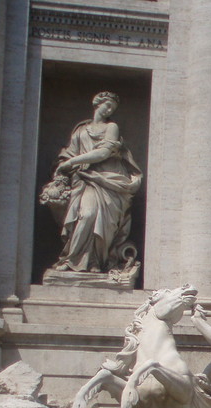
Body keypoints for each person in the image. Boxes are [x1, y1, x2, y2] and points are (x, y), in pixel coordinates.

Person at [40, 92, 143, 276]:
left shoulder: (112, 127)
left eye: (113, 108)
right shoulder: (80, 130)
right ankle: (72, 260)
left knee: (95, 218)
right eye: (107, 105)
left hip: (106, 181)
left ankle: (96, 261)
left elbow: (103, 153)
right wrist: (64, 165)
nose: (110, 110)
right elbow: (68, 153)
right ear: (97, 103)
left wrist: (72, 162)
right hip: (82, 179)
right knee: (84, 216)